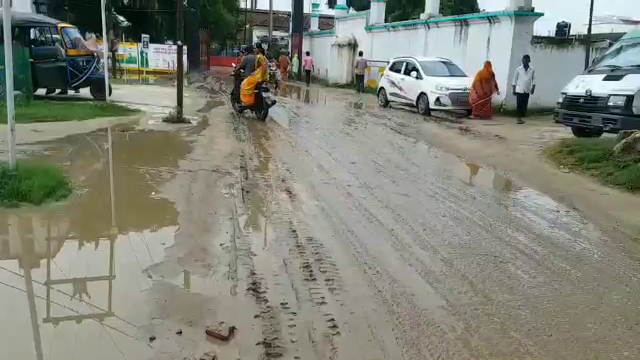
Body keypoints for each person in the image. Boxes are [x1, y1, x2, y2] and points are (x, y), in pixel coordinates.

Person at [512, 54, 535, 124]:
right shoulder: (518, 69)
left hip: (527, 90)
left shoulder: (532, 70)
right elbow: (514, 80)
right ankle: (518, 118)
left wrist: (533, 88)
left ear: (529, 61)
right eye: (523, 60)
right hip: (519, 90)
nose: (524, 61)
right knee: (519, 104)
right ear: (522, 60)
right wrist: (514, 90)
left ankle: (521, 117)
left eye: (526, 60)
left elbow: (534, 80)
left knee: (524, 105)